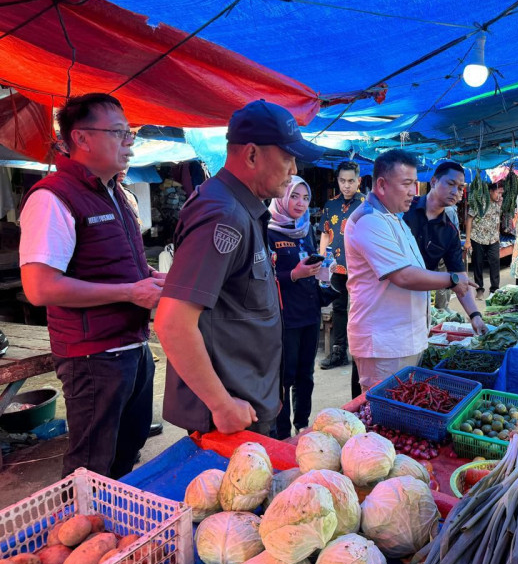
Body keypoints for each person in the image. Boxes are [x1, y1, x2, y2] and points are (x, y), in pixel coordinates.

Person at [155, 100, 324, 436]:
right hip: (233, 415)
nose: (294, 170)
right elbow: (173, 322)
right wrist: (221, 404)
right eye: (287, 158)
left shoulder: (242, 209)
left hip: (250, 398)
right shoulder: (223, 215)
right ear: (251, 155)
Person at [19, 93, 164, 478]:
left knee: (127, 451)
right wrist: (129, 292)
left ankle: (114, 532)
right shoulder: (53, 197)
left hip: (132, 345)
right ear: (81, 139)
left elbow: (108, 266)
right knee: (92, 465)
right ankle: (80, 529)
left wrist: (148, 277)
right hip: (93, 357)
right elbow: (40, 287)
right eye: (119, 133)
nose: (128, 143)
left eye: (129, 133)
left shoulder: (116, 193)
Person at [345, 149, 478, 391]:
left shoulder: (394, 217)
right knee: (382, 417)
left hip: (403, 339)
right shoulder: (370, 220)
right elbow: (404, 276)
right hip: (385, 343)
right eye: (406, 184)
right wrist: (451, 278)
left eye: (414, 184)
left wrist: (474, 314)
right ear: (382, 185)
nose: (413, 191)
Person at [268, 176, 335, 439]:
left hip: (309, 312)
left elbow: (308, 265)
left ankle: (303, 425)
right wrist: (294, 274)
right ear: (282, 197)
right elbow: (263, 277)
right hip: (285, 317)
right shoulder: (268, 230)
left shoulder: (305, 228)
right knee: (285, 377)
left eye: (305, 198)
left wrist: (323, 272)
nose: (300, 203)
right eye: (294, 196)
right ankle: (282, 432)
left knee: (306, 374)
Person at [403, 161, 488, 335]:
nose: (455, 192)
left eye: (460, 188)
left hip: (418, 304)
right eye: (450, 184)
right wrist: (452, 280)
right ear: (433, 181)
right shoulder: (404, 210)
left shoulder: (449, 232)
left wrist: (475, 316)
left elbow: (460, 277)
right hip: (383, 300)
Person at [318, 161, 366, 374]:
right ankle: (339, 352)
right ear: (337, 180)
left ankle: (362, 354)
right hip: (336, 268)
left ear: (359, 180)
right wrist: (321, 261)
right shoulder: (330, 205)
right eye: (342, 181)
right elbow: (325, 233)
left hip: (360, 269)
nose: (346, 185)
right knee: (339, 309)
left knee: (361, 310)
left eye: (351, 181)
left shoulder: (367, 204)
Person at [465, 181, 504, 298]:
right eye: (498, 193)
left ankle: (494, 289)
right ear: (491, 191)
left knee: (495, 262)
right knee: (478, 263)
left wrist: (497, 235)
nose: (500, 196)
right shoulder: (479, 203)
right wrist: (467, 240)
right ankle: (479, 289)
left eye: (502, 193)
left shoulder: (498, 204)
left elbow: (497, 220)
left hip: (493, 239)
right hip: (478, 238)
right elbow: (469, 219)